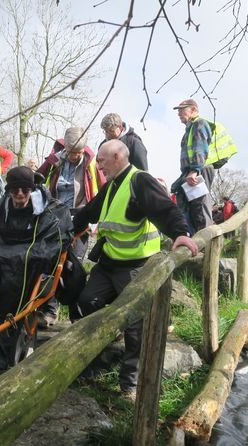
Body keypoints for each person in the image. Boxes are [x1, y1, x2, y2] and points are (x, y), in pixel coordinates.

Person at [73, 139, 199, 401]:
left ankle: (129, 384)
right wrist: (66, 226)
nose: (98, 165)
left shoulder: (140, 181)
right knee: (85, 302)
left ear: (118, 155)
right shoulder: (112, 186)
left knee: (136, 326)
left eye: (102, 159)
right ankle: (100, 352)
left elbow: (165, 209)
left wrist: (181, 234)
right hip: (108, 263)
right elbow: (90, 212)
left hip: (135, 267)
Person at [0, 166, 75, 371]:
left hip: (26, 268)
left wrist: (19, 257)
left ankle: (4, 341)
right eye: (14, 190)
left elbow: (53, 242)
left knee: (11, 277)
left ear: (32, 190)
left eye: (25, 191)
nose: (19, 195)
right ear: (8, 190)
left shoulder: (51, 211)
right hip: (0, 263)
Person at [37, 126, 105, 324]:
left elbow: (103, 188)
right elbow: (39, 178)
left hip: (80, 218)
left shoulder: (92, 162)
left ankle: (77, 315)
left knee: (73, 267)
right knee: (52, 264)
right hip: (55, 216)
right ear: (65, 147)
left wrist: (97, 219)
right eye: (72, 152)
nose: (75, 156)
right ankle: (50, 311)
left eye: (79, 153)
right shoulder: (55, 159)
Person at [170, 98, 215, 234]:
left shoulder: (199, 124)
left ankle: (205, 244)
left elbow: (200, 148)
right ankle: (194, 240)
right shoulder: (190, 129)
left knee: (199, 208)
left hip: (198, 170)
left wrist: (195, 170)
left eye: (182, 110)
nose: (179, 113)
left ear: (194, 110)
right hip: (191, 171)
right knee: (190, 208)